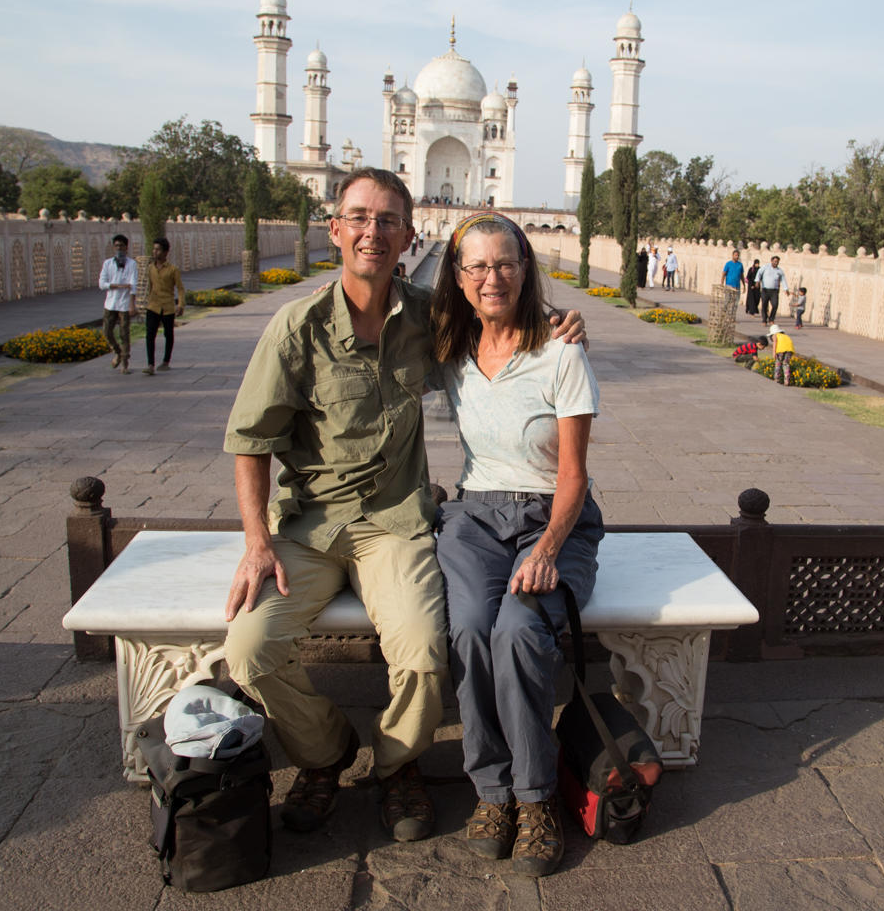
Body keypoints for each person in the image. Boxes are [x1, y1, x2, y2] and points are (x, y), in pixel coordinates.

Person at [221, 168, 585, 844]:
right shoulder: (296, 327)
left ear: (409, 236)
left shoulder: (427, 317)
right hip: (308, 526)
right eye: (359, 217)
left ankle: (396, 766)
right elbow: (250, 441)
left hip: (393, 524)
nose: (373, 232)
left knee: (423, 653)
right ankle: (326, 753)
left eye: (388, 220)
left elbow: (499, 312)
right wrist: (256, 543)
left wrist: (560, 321)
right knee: (248, 651)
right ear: (335, 229)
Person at [430, 211, 603, 878]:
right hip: (474, 518)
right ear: (458, 277)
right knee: (471, 628)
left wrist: (548, 549)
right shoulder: (452, 349)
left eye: (505, 263)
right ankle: (491, 789)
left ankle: (534, 798)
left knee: (521, 631)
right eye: (477, 266)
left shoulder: (561, 351)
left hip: (552, 518)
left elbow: (574, 476)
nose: (492, 278)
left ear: (526, 269)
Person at [141, 237, 184, 376]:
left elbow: (180, 288)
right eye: (154, 249)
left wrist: (180, 304)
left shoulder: (173, 270)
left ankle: (166, 361)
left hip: (167, 307)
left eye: (158, 249)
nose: (155, 252)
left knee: (168, 334)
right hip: (153, 305)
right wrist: (146, 301)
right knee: (150, 334)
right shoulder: (150, 268)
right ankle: (150, 364)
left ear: (165, 252)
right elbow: (150, 286)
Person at [99, 233, 138, 374]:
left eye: (121, 246)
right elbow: (102, 284)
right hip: (111, 303)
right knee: (106, 332)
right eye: (116, 246)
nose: (119, 248)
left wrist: (132, 304)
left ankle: (125, 364)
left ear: (126, 247)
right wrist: (117, 285)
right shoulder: (108, 264)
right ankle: (118, 352)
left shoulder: (131, 264)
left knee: (124, 334)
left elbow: (133, 285)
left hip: (124, 304)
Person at [758, 255, 786, 325]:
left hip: (774, 291)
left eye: (777, 262)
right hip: (765, 290)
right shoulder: (765, 267)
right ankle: (764, 320)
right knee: (764, 305)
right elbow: (759, 273)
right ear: (771, 261)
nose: (776, 263)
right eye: (775, 261)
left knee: (775, 305)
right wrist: (757, 281)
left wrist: (786, 288)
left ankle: (771, 319)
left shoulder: (779, 271)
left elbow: (783, 280)